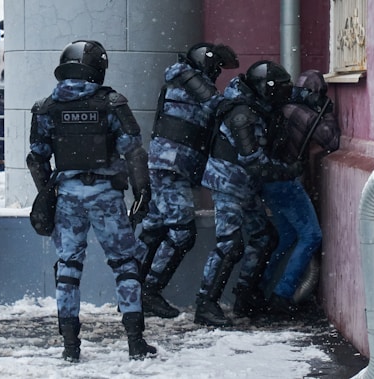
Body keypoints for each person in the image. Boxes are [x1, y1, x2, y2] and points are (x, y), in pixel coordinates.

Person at [26, 40, 156, 362]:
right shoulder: (111, 103)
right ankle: (135, 342)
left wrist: (47, 195)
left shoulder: (45, 107)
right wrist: (142, 192)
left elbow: (37, 158)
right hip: (107, 196)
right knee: (126, 264)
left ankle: (70, 347)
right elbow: (133, 151)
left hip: (68, 196)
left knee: (68, 268)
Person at [193, 61, 300, 327]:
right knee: (229, 244)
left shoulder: (255, 102)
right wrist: (287, 171)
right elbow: (254, 160)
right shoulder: (243, 114)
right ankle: (206, 304)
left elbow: (286, 95)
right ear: (264, 88)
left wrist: (309, 95)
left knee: (264, 237)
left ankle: (245, 297)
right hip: (228, 182)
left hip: (244, 184)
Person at [136, 42, 238, 319]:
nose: (217, 73)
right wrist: (242, 100)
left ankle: (134, 289)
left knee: (155, 227)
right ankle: (149, 291)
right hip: (171, 166)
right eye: (216, 67)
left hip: (174, 167)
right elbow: (216, 105)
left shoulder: (188, 82)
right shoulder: (184, 75)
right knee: (182, 233)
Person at [258, 69, 339, 319]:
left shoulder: (282, 107)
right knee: (311, 236)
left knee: (287, 236)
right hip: (285, 181)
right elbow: (331, 141)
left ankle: (262, 290)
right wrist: (326, 112)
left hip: (267, 179)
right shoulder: (303, 114)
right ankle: (282, 295)